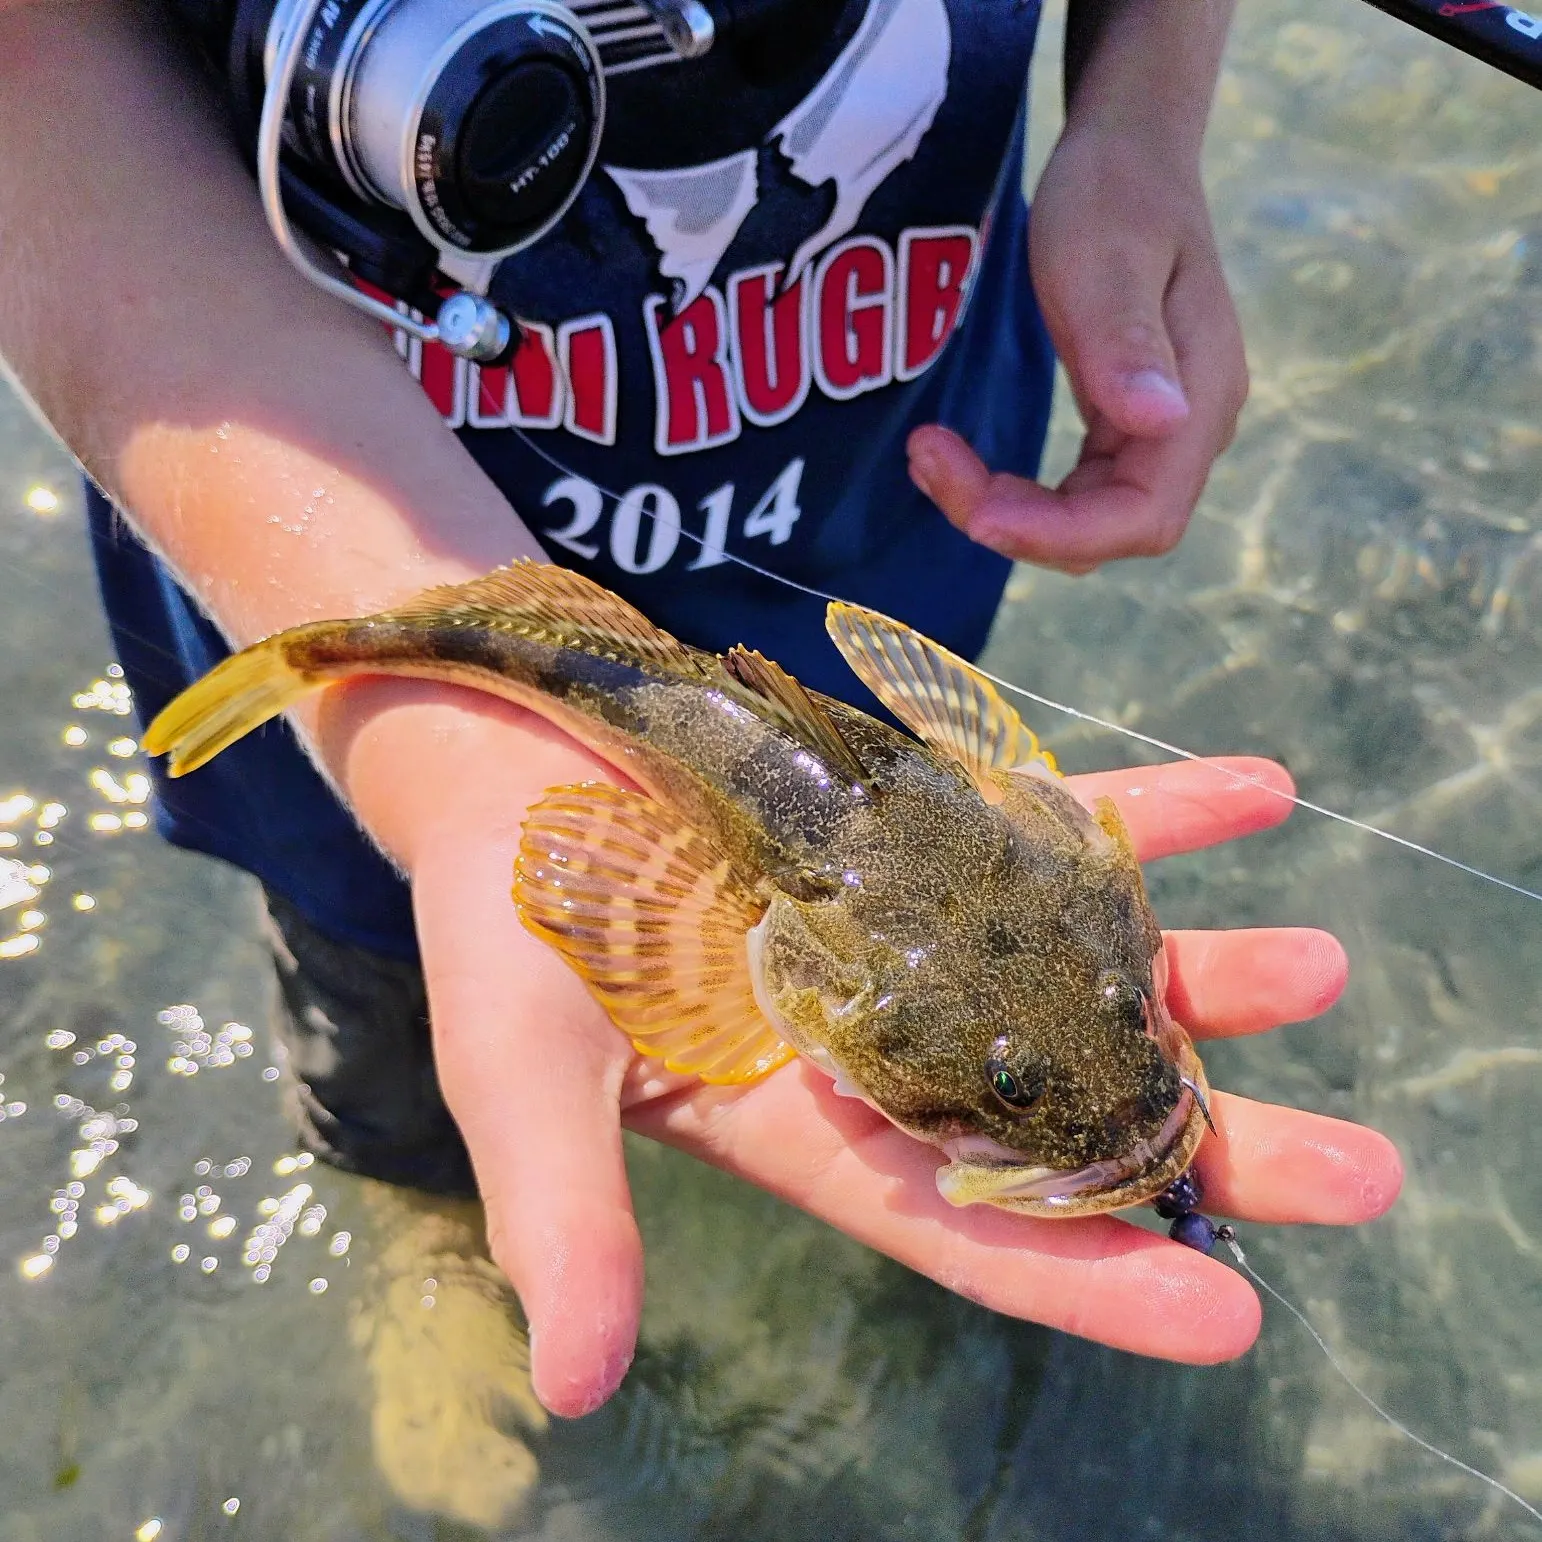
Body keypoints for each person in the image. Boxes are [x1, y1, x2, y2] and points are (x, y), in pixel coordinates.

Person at [0, 0, 1400, 1446]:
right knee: (395, 1014)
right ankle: (424, 1228)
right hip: (336, 599)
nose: (1128, 1111)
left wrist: (1137, 123)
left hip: (863, 513)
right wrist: (454, 767)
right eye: (1013, 1088)